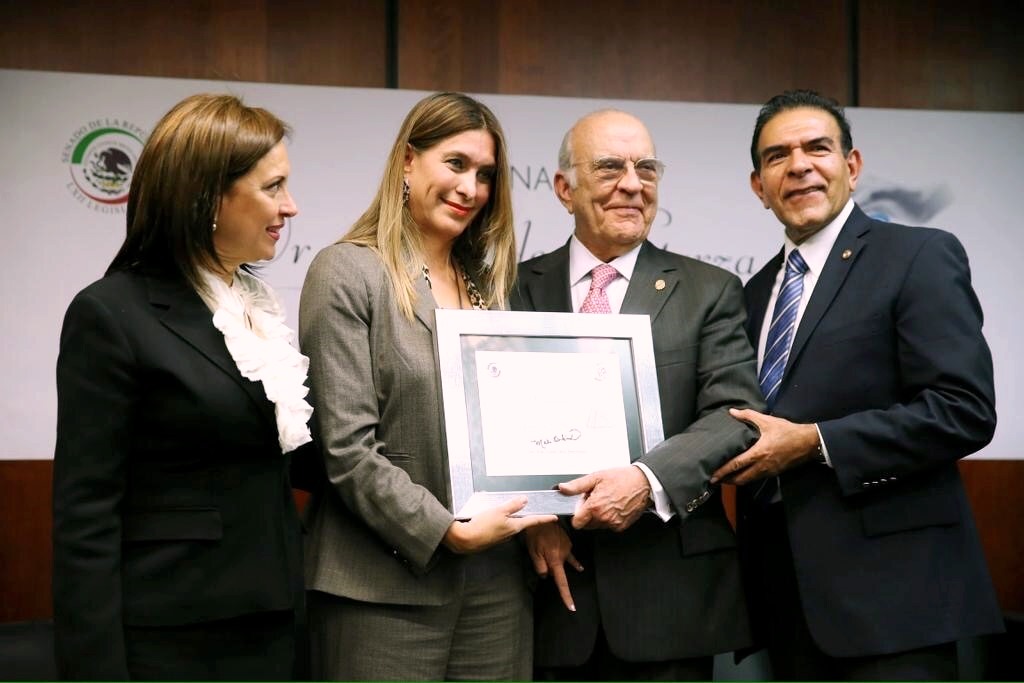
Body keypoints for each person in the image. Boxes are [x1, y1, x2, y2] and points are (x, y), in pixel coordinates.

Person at [711, 89, 1003, 680]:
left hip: (895, 606)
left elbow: (963, 410)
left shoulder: (918, 256)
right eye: (777, 156)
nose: (799, 165)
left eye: (817, 148)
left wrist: (816, 441)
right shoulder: (749, 295)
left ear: (852, 166)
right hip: (784, 609)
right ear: (758, 186)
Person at [53, 94, 313, 680]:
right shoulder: (111, 313)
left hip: (275, 627)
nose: (290, 207)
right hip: (175, 641)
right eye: (272, 187)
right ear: (206, 197)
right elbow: (86, 517)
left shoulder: (257, 307)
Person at [299, 91, 556, 681]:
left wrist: (543, 511)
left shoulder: (491, 288)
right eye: (456, 164)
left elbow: (517, 433)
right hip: (381, 586)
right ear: (407, 162)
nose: (471, 188)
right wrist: (445, 532)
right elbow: (345, 449)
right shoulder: (347, 271)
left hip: (496, 586)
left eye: (486, 175)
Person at [510, 109, 764, 681]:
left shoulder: (710, 291)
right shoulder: (511, 286)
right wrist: (536, 517)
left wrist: (644, 482)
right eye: (608, 168)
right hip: (544, 595)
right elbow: (485, 420)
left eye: (645, 168)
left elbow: (734, 415)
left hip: (667, 600)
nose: (632, 183)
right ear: (563, 188)